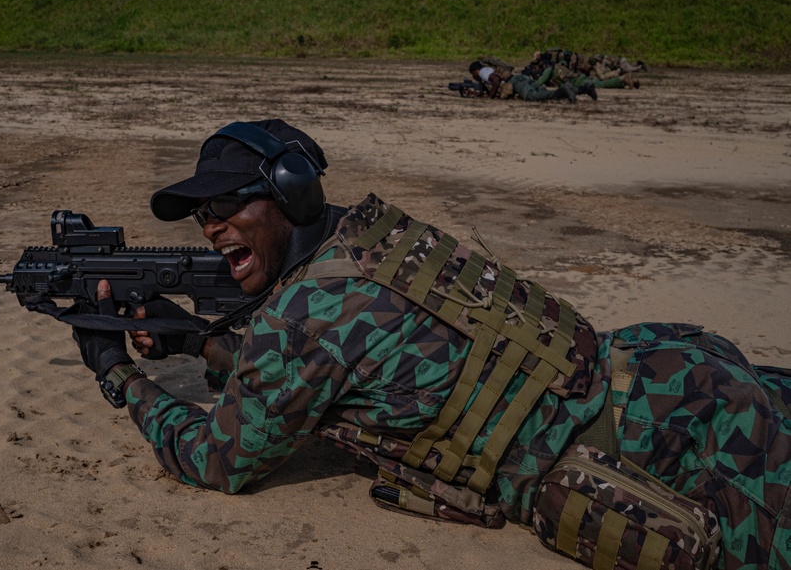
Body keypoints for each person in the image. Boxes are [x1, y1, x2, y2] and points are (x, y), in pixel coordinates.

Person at [57, 119, 791, 570]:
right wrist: (197, 340)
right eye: (200, 216)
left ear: (290, 191)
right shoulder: (374, 236)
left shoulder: (302, 319)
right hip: (672, 369)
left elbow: (218, 460)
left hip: (665, 450)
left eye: (224, 204)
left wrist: (119, 372)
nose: (212, 226)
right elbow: (361, 364)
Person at [469, 61, 586, 103]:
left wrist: (491, 96)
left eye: (473, 74)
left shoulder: (482, 72)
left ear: (476, 71)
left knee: (533, 97)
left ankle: (564, 90)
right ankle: (584, 89)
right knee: (545, 95)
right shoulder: (489, 68)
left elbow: (495, 79)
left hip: (516, 82)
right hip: (522, 78)